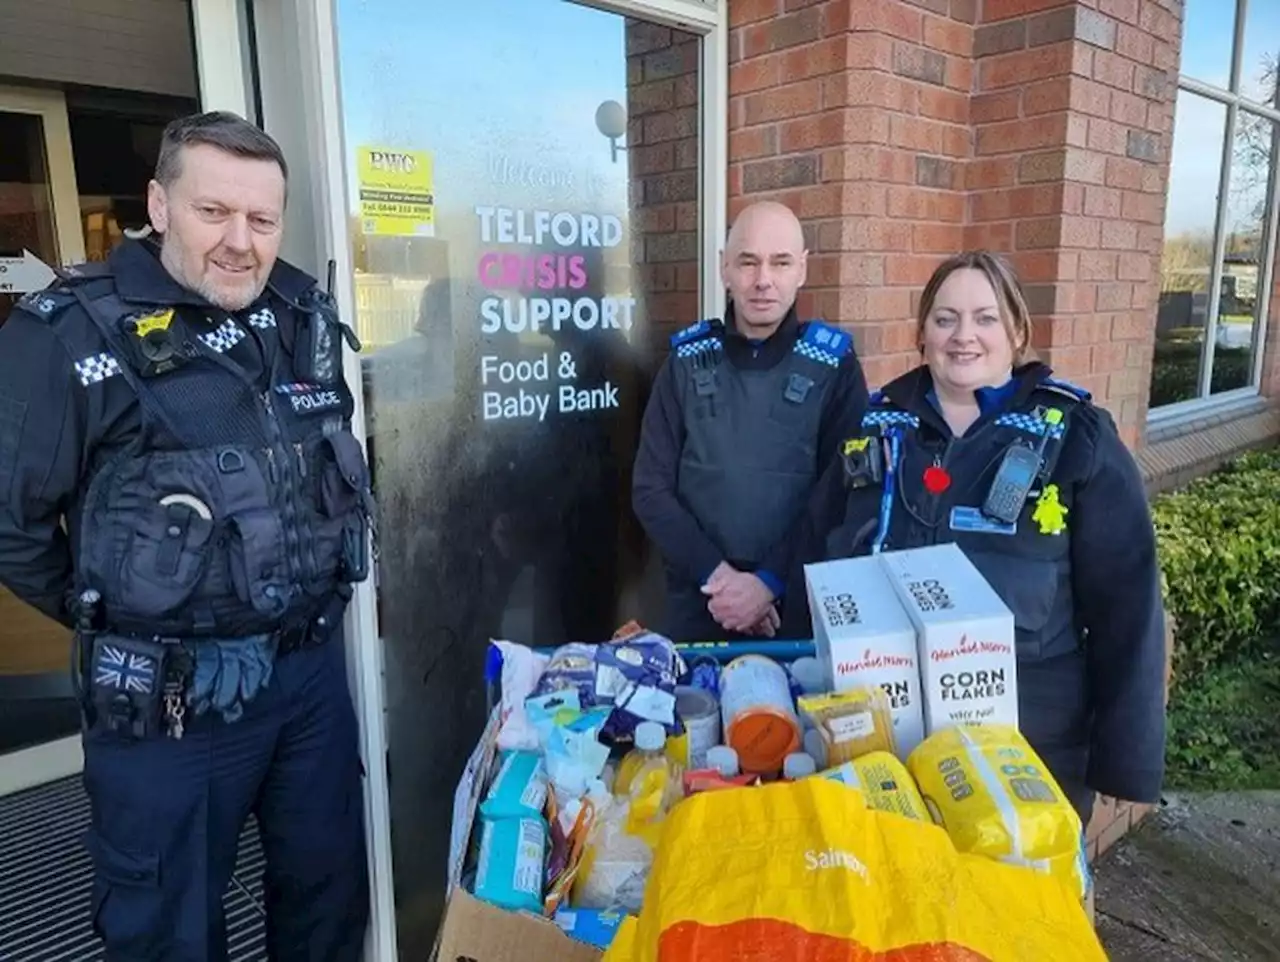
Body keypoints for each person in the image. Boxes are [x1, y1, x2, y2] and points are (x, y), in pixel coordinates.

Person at [0, 111, 371, 960]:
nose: (241, 241)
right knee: (168, 925)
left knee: (327, 901)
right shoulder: (68, 335)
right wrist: (114, 611)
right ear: (159, 206)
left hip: (308, 680)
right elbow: (11, 526)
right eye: (215, 213)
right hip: (170, 703)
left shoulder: (297, 313)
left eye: (263, 219)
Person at [785, 250, 1167, 823]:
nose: (964, 336)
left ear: (1016, 330)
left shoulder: (1075, 438)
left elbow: (1129, 605)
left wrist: (1125, 757)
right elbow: (815, 560)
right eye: (945, 319)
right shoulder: (877, 427)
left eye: (985, 318)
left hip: (1029, 754)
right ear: (922, 333)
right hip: (885, 753)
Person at [632, 200, 869, 642]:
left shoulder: (834, 367)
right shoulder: (686, 362)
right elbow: (650, 489)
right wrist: (722, 581)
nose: (763, 280)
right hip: (701, 604)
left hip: (795, 609)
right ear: (724, 269)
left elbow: (839, 494)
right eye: (747, 262)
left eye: (780, 263)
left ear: (802, 269)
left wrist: (767, 584)